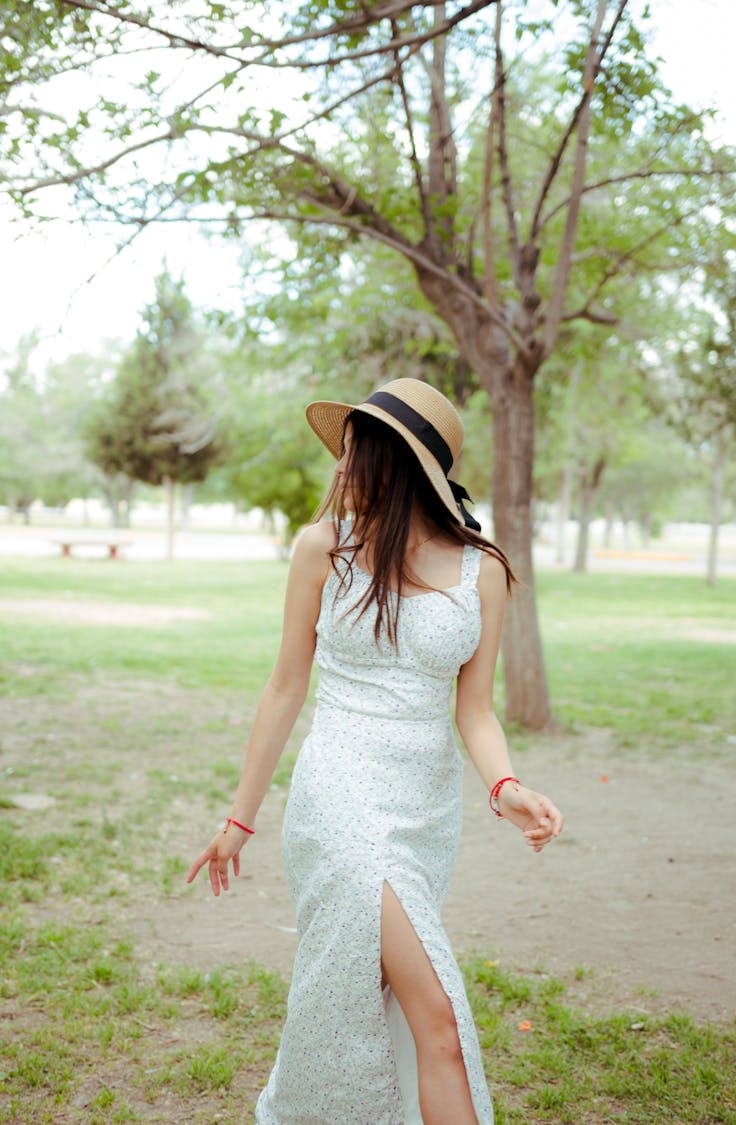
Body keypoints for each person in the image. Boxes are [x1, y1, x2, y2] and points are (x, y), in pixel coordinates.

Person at [187, 377, 563, 1125]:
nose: (338, 465)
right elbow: (285, 687)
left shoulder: (480, 570)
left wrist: (507, 787)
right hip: (340, 797)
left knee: (387, 1009)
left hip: (423, 808)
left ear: (397, 462)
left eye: (353, 449)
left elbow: (476, 709)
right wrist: (240, 818)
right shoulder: (323, 548)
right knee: (441, 1020)